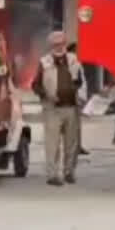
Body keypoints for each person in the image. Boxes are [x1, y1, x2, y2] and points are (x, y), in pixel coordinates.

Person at [33, 30, 85, 186]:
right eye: (55, 44)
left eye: (61, 43)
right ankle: (52, 175)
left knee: (72, 143)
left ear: (65, 44)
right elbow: (35, 85)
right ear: (51, 45)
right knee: (52, 144)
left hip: (71, 107)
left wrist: (78, 94)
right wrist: (46, 95)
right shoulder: (45, 62)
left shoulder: (73, 60)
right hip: (52, 109)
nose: (59, 46)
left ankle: (69, 172)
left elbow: (80, 80)